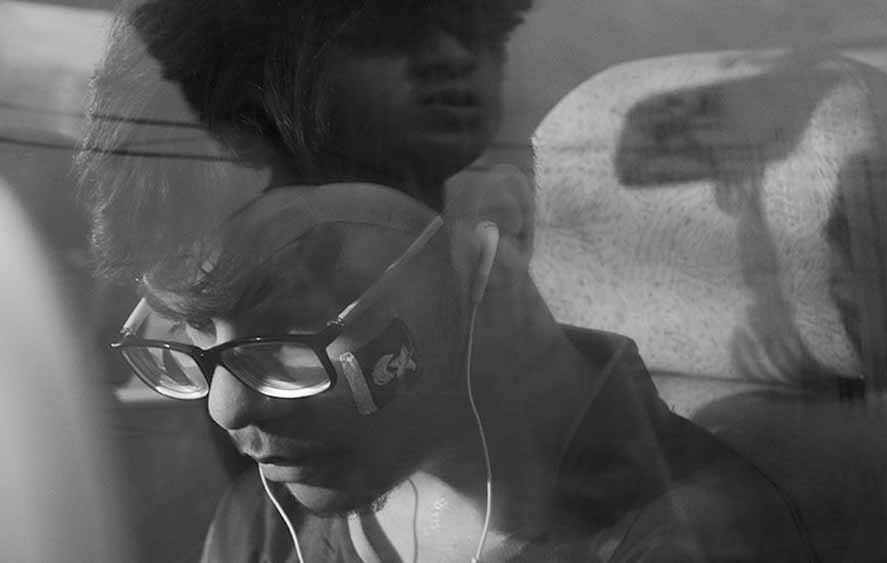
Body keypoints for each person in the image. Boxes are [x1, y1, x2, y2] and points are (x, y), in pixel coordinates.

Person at [77, 1, 814, 561]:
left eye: (294, 316)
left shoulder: (697, 538)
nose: (229, 405)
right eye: (196, 327)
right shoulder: (263, 529)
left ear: (490, 233)